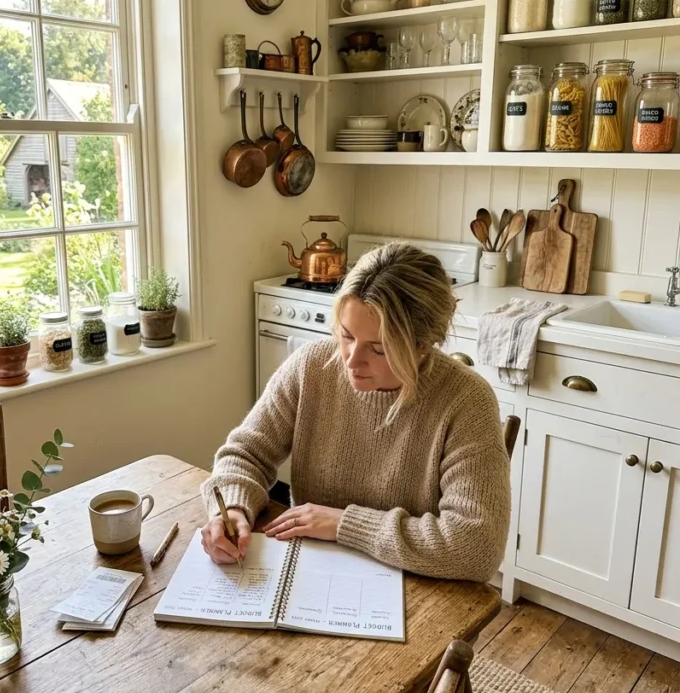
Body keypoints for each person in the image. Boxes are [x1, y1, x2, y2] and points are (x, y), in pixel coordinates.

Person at [200, 241, 511, 581]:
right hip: (313, 574)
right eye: (346, 336)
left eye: (378, 349)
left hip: (417, 588)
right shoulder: (312, 366)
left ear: (425, 345)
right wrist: (231, 508)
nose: (350, 360)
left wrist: (344, 524)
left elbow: (477, 547)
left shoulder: (466, 401)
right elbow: (244, 453)